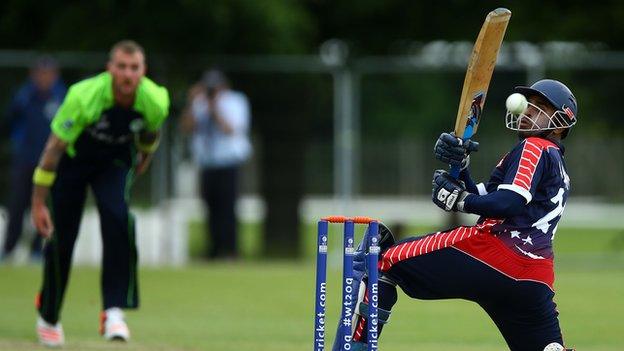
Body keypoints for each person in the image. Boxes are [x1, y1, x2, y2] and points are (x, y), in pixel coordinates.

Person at [339, 79, 578, 351]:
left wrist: (461, 201)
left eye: (539, 107)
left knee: (383, 262)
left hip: (496, 253)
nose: (527, 111)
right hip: (534, 278)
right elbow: (488, 197)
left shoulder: (535, 147)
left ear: (560, 123)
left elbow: (508, 203)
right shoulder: (557, 163)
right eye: (529, 105)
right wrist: (460, 166)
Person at [31, 40, 169, 347]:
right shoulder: (83, 96)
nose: (128, 75)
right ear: (110, 69)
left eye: (134, 68)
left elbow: (150, 132)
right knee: (61, 236)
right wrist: (39, 202)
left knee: (118, 216)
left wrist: (144, 157)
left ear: (143, 71)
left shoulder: (155, 100)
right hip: (73, 161)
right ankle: (49, 315)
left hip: (115, 161)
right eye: (121, 67)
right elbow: (53, 151)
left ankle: (113, 311)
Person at [180, 69, 251, 260]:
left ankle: (231, 250)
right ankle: (213, 250)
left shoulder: (235, 101)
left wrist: (214, 107)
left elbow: (230, 129)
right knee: (209, 207)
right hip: (207, 162)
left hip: (229, 161)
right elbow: (187, 128)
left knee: (228, 207)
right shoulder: (198, 103)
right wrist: (191, 102)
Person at [0, 57, 66, 263]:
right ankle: (9, 249)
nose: (44, 78)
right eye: (41, 73)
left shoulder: (61, 97)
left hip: (50, 162)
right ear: (34, 74)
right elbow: (8, 122)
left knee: (45, 204)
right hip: (25, 159)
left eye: (49, 73)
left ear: (55, 75)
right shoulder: (24, 96)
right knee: (17, 204)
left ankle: (38, 250)